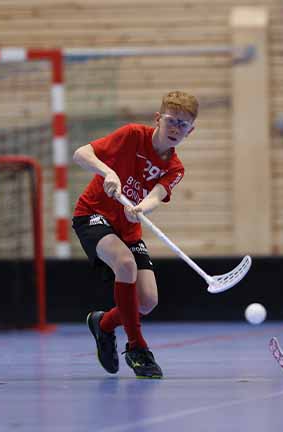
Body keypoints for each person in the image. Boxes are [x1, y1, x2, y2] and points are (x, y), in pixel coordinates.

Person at [72, 91, 197, 378]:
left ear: (191, 131)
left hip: (128, 228)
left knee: (147, 302)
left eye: (184, 125)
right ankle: (137, 347)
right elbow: (81, 154)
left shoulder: (175, 168)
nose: (176, 128)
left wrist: (142, 208)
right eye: (172, 120)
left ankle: (103, 325)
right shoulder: (132, 135)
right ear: (158, 119)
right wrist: (108, 172)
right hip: (92, 215)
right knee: (125, 263)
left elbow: (156, 195)